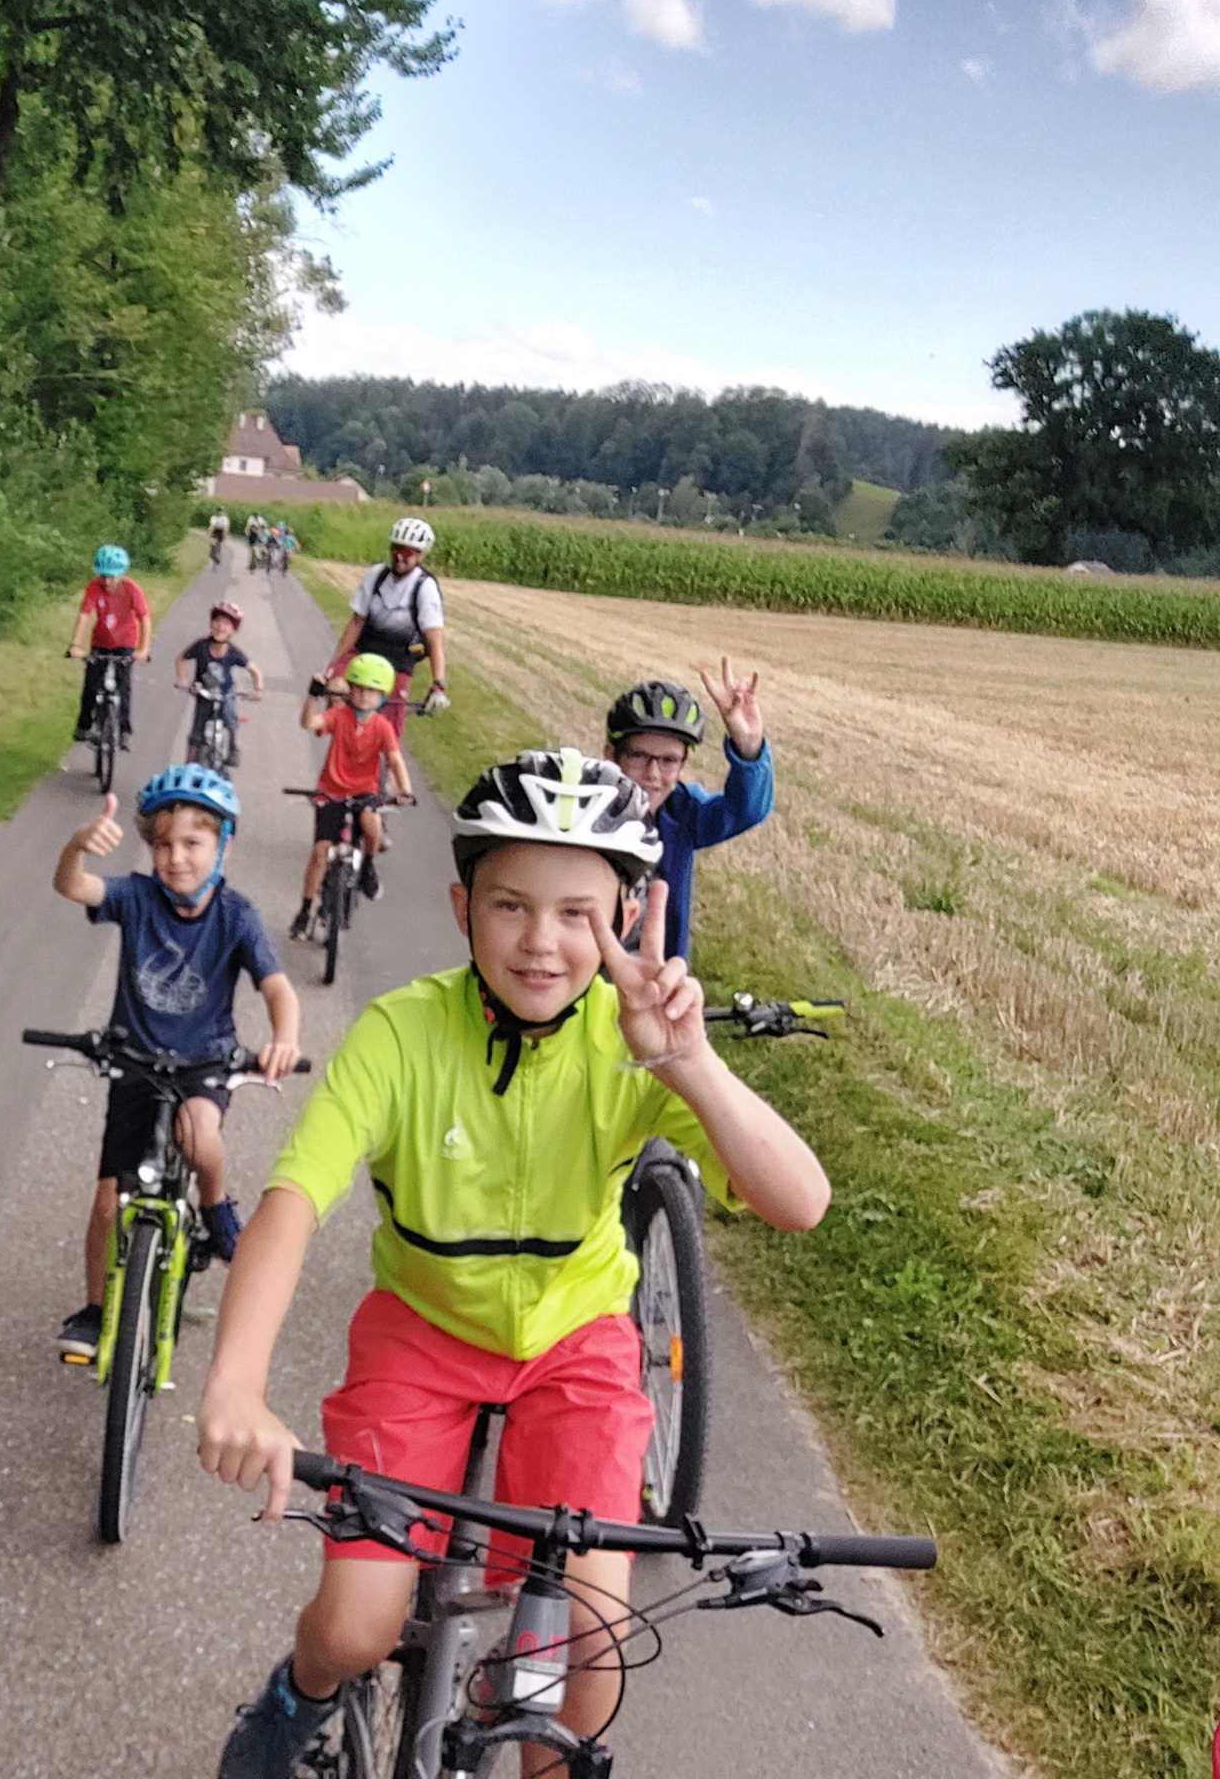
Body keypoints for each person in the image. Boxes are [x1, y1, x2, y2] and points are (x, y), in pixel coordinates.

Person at [196, 749, 831, 1779]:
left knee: (589, 1665)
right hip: (422, 1333)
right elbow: (289, 1203)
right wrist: (233, 1381)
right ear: (459, 906)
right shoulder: (402, 1032)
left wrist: (686, 1058)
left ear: (623, 918)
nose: (540, 941)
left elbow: (798, 1200)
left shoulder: (631, 1044)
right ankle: (293, 1695)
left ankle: (502, 1695)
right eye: (509, 905)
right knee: (358, 1628)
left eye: (577, 912)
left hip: (573, 1347)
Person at [50, 765, 301, 1359]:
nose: (176, 857)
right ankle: (94, 1307)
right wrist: (75, 847)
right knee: (110, 1196)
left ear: (223, 846)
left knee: (200, 1136)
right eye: (162, 843)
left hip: (202, 1063)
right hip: (135, 1060)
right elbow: (73, 886)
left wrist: (283, 1037)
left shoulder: (236, 915)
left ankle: (215, 1208)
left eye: (192, 842)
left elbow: (277, 989)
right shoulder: (136, 897)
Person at [604, 661, 771, 965]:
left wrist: (747, 745)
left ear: (682, 766)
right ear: (610, 755)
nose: (652, 773)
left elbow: (745, 810)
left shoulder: (681, 815)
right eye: (639, 756)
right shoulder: (584, 811)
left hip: (659, 979)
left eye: (668, 760)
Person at [289, 656, 412, 939]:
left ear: (382, 696)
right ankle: (305, 910)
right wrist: (312, 698)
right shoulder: (339, 715)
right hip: (331, 790)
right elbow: (309, 722)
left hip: (364, 792)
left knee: (372, 826)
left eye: (371, 691)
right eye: (357, 688)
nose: (363, 696)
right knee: (320, 853)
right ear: (349, 690)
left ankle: (368, 866)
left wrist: (404, 790)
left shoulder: (382, 727)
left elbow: (395, 761)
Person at [322, 516, 448, 735]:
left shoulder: (424, 587)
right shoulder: (377, 575)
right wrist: (332, 665)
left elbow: (433, 640)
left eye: (407, 552)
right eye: (396, 548)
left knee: (388, 735)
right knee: (336, 689)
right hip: (362, 652)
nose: (399, 556)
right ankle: (344, 740)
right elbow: (355, 623)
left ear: (421, 554)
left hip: (398, 662)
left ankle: (387, 767)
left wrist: (438, 685)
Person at [69, 544, 152, 752]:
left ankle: (123, 730)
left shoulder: (132, 589)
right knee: (90, 684)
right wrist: (75, 646)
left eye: (112, 577)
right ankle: (84, 725)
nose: (107, 581)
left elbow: (144, 619)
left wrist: (143, 649)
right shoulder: (93, 587)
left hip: (125, 643)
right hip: (101, 642)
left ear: (121, 574)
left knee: (124, 687)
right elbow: (84, 615)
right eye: (103, 576)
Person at [176, 600, 263, 767]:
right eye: (217, 622)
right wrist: (182, 678)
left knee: (229, 714)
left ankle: (233, 747)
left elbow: (255, 671)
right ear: (211, 624)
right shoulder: (201, 646)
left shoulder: (233, 652)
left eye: (226, 624)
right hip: (204, 693)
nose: (220, 627)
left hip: (225, 694)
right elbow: (180, 659)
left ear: (232, 631)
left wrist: (257, 689)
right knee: (197, 733)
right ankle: (189, 766)